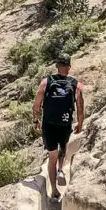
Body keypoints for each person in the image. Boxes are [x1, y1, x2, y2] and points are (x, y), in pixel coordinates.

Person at [33, 54, 84, 201]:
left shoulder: (45, 82)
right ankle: (61, 170)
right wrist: (80, 124)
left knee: (52, 155)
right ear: (69, 67)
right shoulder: (76, 85)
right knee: (63, 149)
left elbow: (36, 105)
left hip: (49, 125)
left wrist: (35, 120)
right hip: (65, 123)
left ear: (56, 66)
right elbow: (80, 107)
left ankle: (54, 190)